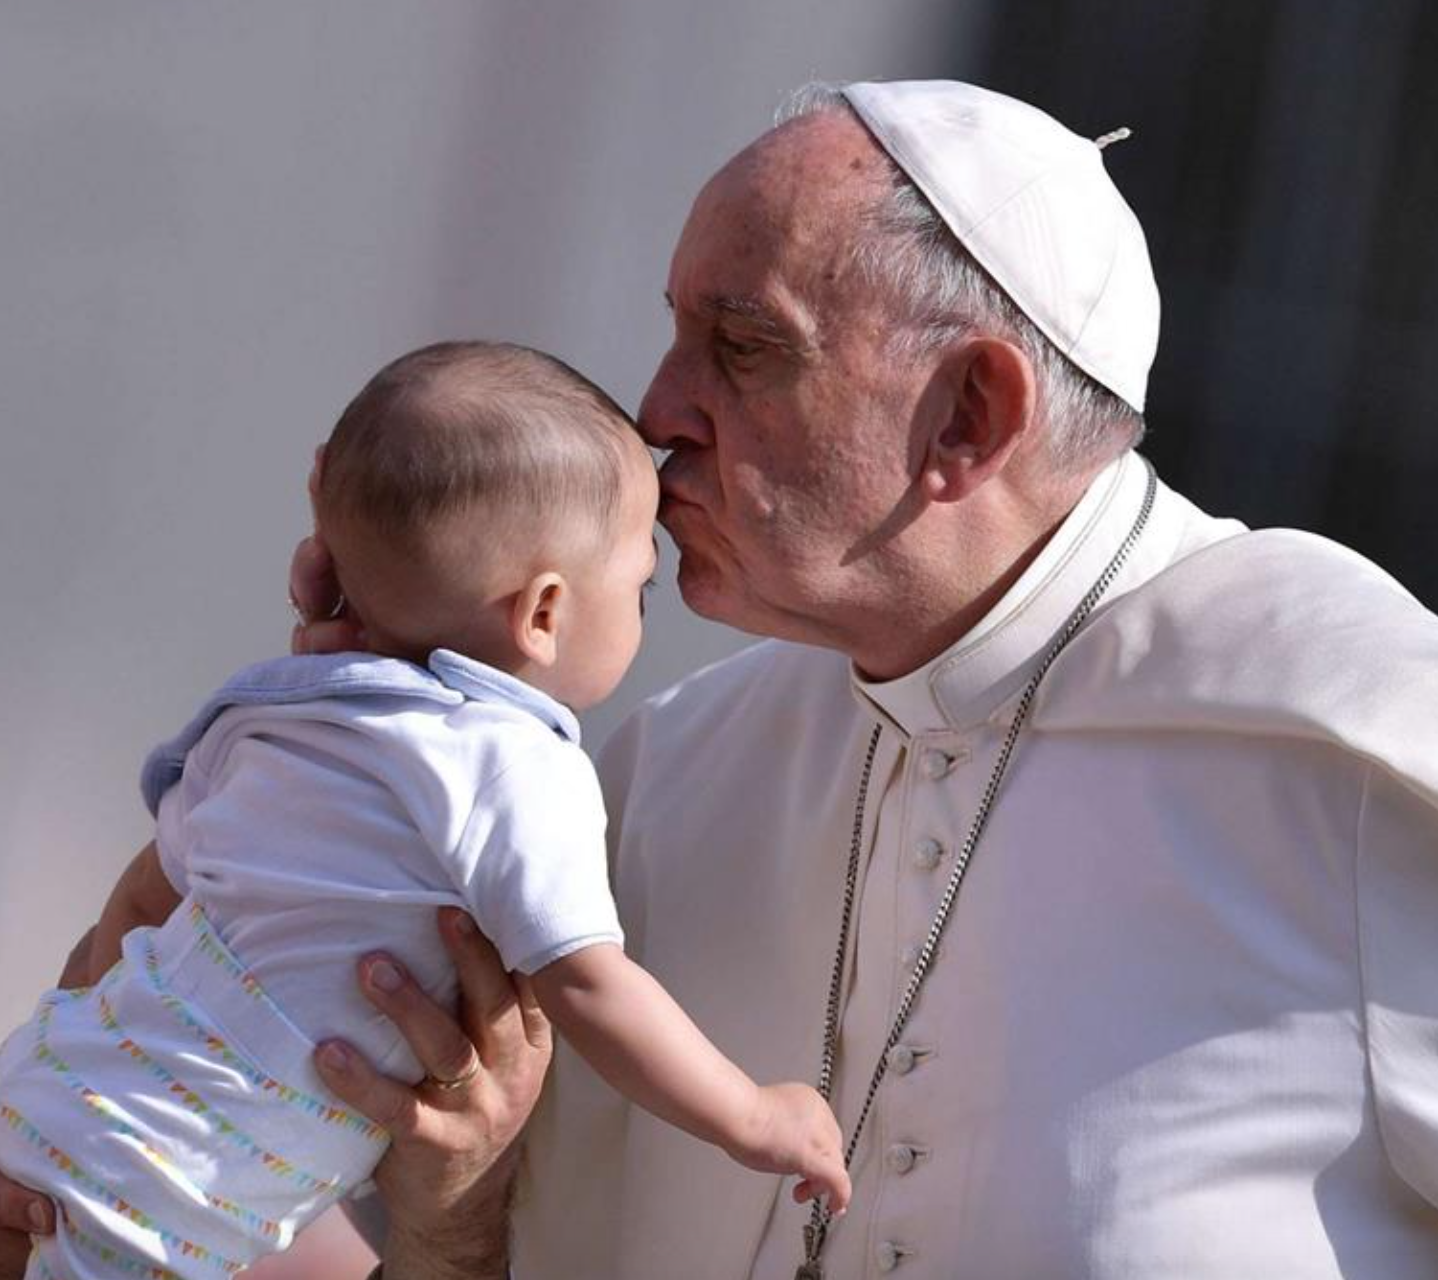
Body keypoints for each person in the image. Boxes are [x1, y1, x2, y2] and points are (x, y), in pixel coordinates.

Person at [6, 78, 1438, 1279]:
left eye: (734, 350)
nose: (649, 419)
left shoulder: (1359, 757)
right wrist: (448, 1218)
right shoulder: (650, 781)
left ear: (968, 415)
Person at [0, 342, 847, 1280]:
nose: (648, 610)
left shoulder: (278, 709)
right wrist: (750, 1116)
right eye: (641, 585)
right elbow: (589, 988)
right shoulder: (518, 765)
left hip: (48, 1089)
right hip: (160, 1204)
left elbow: (135, 913)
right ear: (543, 613)